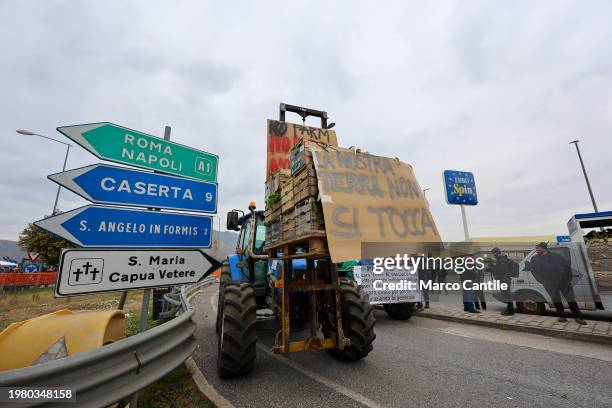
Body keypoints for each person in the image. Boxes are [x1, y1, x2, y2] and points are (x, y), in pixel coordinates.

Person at [531, 242, 587, 325]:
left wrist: (568, 278)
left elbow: (567, 266)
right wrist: (541, 281)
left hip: (563, 281)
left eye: (538, 248)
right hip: (549, 283)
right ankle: (562, 317)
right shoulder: (534, 258)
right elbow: (534, 271)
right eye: (536, 248)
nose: (536, 250)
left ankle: (578, 317)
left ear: (544, 248)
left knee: (571, 299)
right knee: (556, 300)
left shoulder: (557, 256)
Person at [490, 247, 516, 315]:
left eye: (494, 253)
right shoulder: (500, 260)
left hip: (504, 279)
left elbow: (500, 271)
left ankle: (510, 311)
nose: (493, 255)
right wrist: (492, 266)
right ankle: (509, 310)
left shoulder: (502, 260)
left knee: (507, 295)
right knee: (506, 294)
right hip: (503, 279)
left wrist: (492, 267)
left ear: (497, 253)